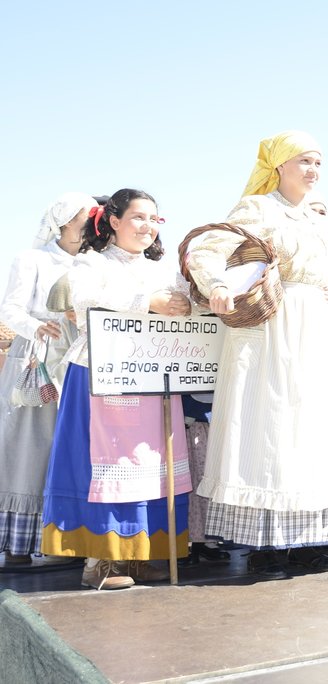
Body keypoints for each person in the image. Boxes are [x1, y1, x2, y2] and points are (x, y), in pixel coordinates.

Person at [189, 131, 328, 579]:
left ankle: (307, 541)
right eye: (304, 161)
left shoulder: (319, 219)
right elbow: (207, 250)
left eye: (318, 162)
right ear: (280, 165)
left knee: (312, 431)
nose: (313, 170)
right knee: (270, 427)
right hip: (271, 327)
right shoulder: (257, 208)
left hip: (316, 329)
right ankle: (265, 545)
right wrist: (218, 285)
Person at [41, 188, 192, 590]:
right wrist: (149, 301)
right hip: (101, 375)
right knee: (109, 462)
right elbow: (84, 298)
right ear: (113, 221)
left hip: (153, 376)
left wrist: (187, 303)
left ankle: (140, 555)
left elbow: (186, 301)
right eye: (138, 217)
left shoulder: (163, 269)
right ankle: (101, 561)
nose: (148, 227)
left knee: (151, 464)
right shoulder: (92, 262)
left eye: (154, 220)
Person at [0, 193, 96, 566]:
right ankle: (20, 542)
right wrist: (36, 327)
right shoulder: (32, 258)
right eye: (86, 215)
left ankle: (66, 537)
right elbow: (10, 308)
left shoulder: (94, 262)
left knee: (71, 444)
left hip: (80, 355)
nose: (93, 220)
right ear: (66, 219)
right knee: (29, 443)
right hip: (37, 355)